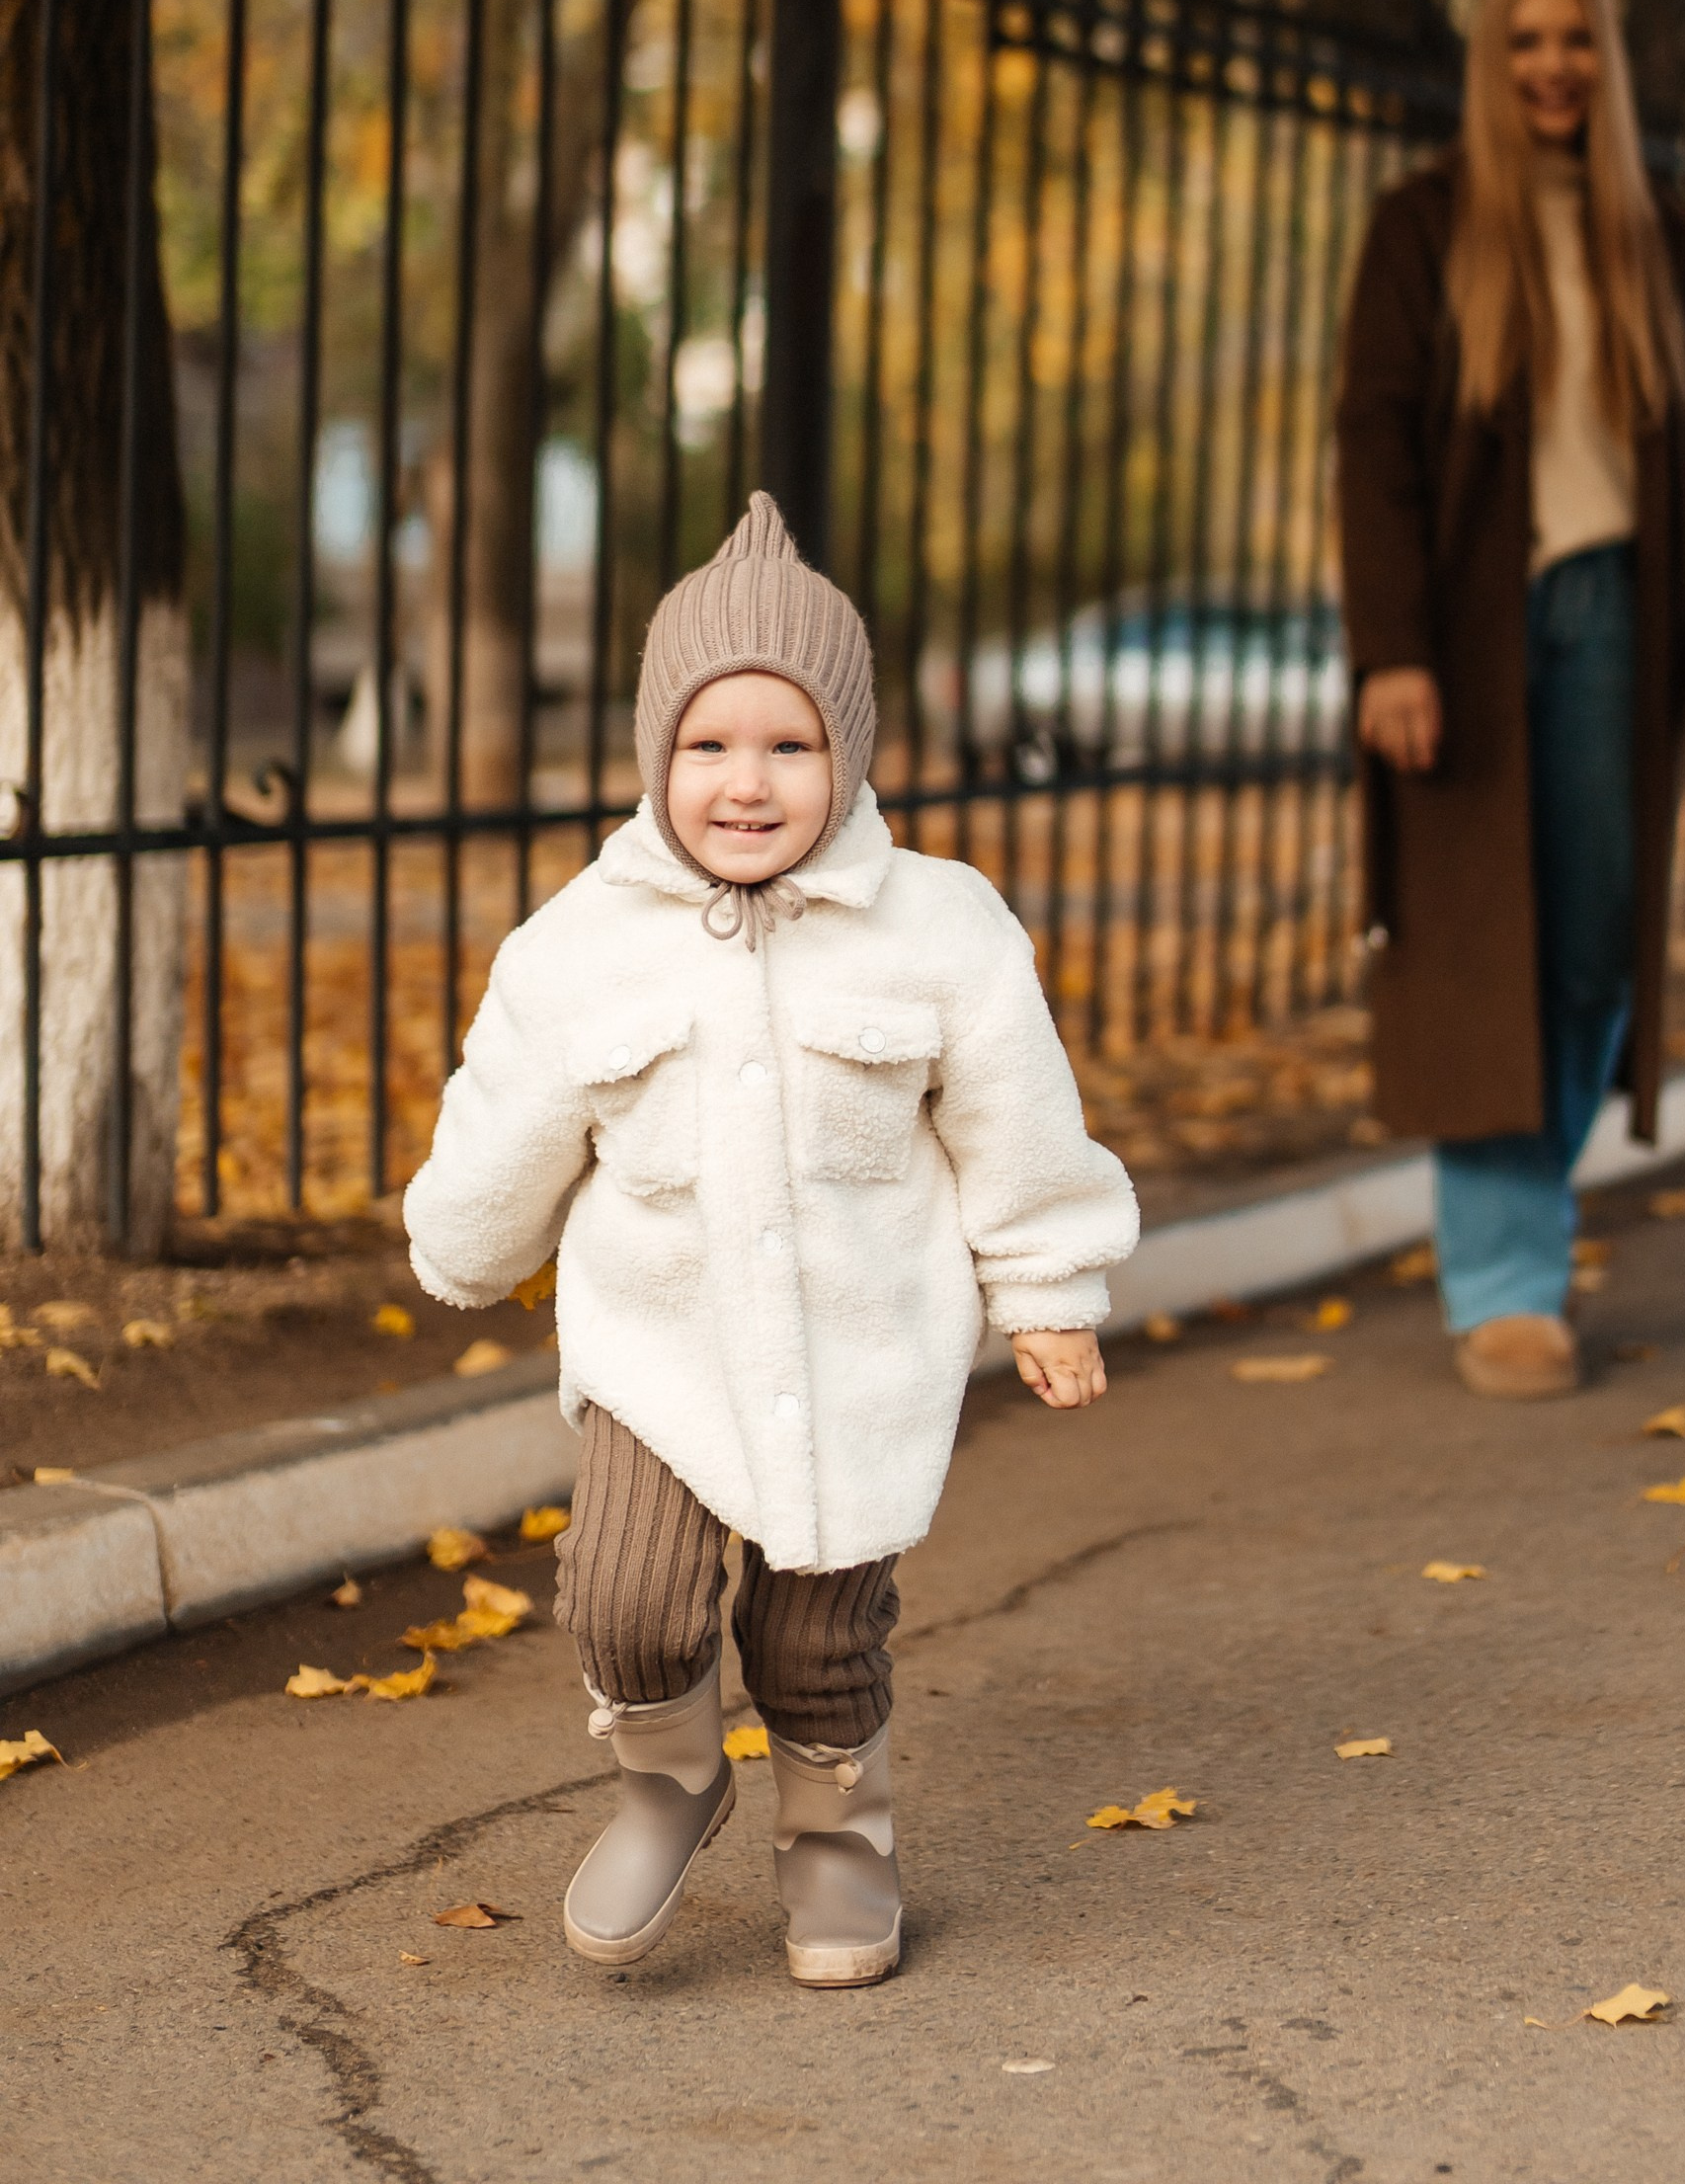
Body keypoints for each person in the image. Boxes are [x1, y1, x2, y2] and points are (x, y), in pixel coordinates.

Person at [404, 494, 1137, 1985]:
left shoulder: (941, 929)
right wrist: (466, 1245)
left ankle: (839, 1835)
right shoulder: (582, 942)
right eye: (710, 746)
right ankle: (667, 1777)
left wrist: (1048, 1290)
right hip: (658, 1348)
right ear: (655, 756)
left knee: (815, 1640)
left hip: (860, 1354)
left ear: (850, 755)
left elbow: (1016, 1118)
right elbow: (511, 1113)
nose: (748, 783)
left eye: (790, 745)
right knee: (625, 1596)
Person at [1335, 0, 1685, 1400]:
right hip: (1470, 633)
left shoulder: (1653, 237)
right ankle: (1510, 1275)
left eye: (1574, 40)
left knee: (1588, 952)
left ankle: (1523, 1205)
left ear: (1606, 63)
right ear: (1493, 63)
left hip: (1618, 623)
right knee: (1480, 956)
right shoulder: (1425, 226)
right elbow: (1375, 446)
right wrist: (1391, 650)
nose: (1552, 67)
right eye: (1524, 41)